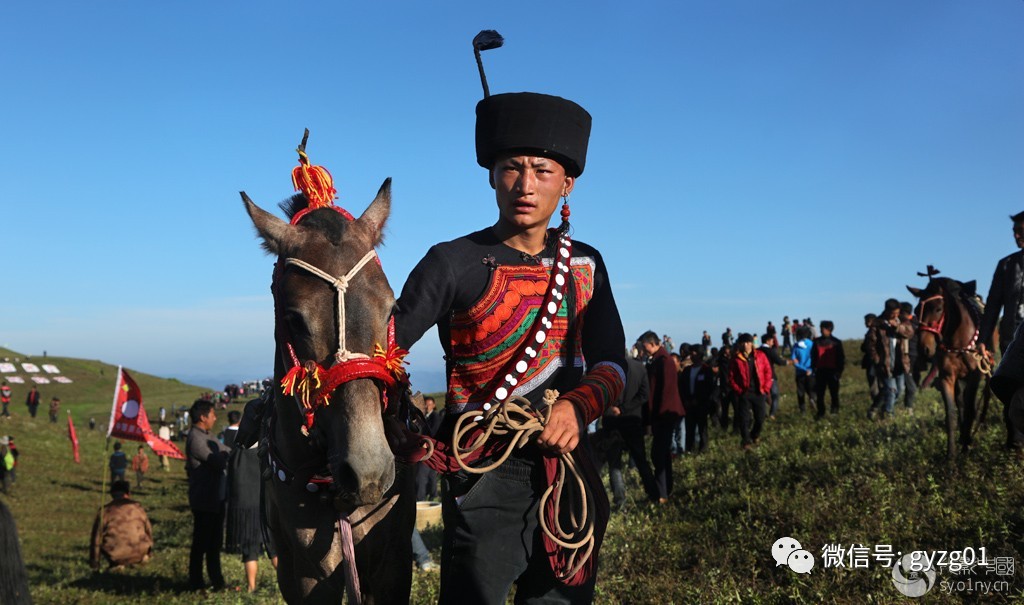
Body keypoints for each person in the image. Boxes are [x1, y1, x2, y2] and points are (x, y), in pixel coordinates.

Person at [393, 76, 626, 603]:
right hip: (481, 478)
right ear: (492, 177)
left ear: (567, 184)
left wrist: (574, 407)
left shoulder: (586, 264)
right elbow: (386, 349)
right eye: (511, 168)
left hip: (567, 475)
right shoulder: (450, 262)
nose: (526, 185)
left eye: (543, 171)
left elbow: (613, 363)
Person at [225, 402, 274, 593]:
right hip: (265, 505)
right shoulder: (267, 448)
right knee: (275, 548)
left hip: (245, 507)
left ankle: (251, 587)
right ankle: (287, 583)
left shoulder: (238, 450)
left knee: (250, 550)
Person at [603, 351, 659, 509]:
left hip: (612, 421)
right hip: (632, 420)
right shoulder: (639, 367)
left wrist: (617, 408)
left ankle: (620, 501)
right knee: (641, 460)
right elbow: (644, 395)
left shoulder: (607, 368)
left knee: (614, 464)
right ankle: (653, 494)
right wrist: (626, 408)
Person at [186, 399, 230, 591]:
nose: (214, 418)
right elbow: (219, 460)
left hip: (215, 497)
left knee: (214, 543)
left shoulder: (207, 435)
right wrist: (225, 456)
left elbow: (226, 452)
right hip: (204, 499)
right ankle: (196, 582)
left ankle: (217, 581)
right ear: (203, 417)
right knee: (201, 544)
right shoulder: (196, 439)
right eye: (212, 414)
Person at [641, 331, 684, 503]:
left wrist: (656, 415)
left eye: (645, 347)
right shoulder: (658, 360)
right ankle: (666, 489)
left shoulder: (664, 361)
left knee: (658, 454)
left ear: (652, 344)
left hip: (664, 414)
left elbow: (666, 391)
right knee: (662, 453)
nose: (643, 351)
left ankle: (662, 493)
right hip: (661, 415)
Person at [89, 480, 153, 570]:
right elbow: (148, 530)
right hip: (141, 553)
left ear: (112, 494)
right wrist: (150, 552)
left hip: (116, 555)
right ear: (128, 493)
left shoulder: (105, 511)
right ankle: (139, 560)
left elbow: (96, 539)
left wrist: (94, 562)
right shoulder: (138, 507)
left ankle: (118, 564)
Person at [866, 299, 910, 420]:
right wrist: (877, 360)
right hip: (885, 364)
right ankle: (888, 415)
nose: (895, 315)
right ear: (886, 310)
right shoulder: (877, 324)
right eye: (893, 313)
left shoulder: (902, 321)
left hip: (900, 363)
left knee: (900, 390)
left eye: (897, 312)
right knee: (891, 390)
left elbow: (910, 332)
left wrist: (898, 328)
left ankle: (878, 408)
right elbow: (870, 345)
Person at [729, 333, 773, 449]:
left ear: (752, 344)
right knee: (744, 418)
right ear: (739, 344)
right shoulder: (736, 359)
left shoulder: (760, 355)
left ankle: (755, 434)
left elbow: (768, 372)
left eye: (748, 342)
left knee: (760, 417)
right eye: (743, 342)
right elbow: (731, 377)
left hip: (759, 392)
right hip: (744, 393)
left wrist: (766, 388)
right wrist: (739, 390)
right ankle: (746, 441)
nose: (745, 345)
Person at [680, 346, 716, 453]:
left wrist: (700, 399)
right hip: (689, 403)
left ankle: (703, 448)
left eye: (694, 353)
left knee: (702, 428)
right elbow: (682, 386)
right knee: (689, 428)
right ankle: (689, 449)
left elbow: (709, 388)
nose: (692, 355)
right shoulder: (687, 370)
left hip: (701, 404)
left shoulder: (706, 370)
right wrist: (686, 399)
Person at [810, 320, 846, 418]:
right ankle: (821, 412)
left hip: (833, 371)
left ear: (829, 329)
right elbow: (813, 356)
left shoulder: (836, 342)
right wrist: (813, 369)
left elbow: (841, 358)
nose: (821, 330)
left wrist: (839, 371)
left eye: (823, 328)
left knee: (834, 393)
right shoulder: (816, 342)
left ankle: (834, 411)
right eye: (821, 328)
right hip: (820, 371)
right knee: (820, 394)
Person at [414, 396, 442, 501]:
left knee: (422, 475)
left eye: (429, 404)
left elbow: (434, 432)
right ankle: (433, 495)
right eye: (425, 404)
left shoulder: (435, 417)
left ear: (433, 405)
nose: (426, 406)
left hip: (429, 448)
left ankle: (420, 498)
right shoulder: (425, 417)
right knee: (431, 475)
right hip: (430, 450)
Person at [758, 333, 790, 420]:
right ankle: (772, 413)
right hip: (770, 376)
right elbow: (779, 361)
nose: (773, 342)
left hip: (759, 377)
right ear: (768, 341)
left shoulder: (757, 351)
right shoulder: (770, 351)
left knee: (762, 396)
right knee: (775, 395)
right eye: (772, 341)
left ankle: (762, 414)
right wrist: (788, 362)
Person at [790, 326, 816, 413]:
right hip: (810, 372)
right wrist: (810, 369)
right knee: (811, 389)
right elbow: (816, 358)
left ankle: (803, 410)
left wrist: (802, 368)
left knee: (800, 392)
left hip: (800, 372)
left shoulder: (796, 346)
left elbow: (794, 361)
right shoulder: (812, 344)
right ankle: (812, 399)